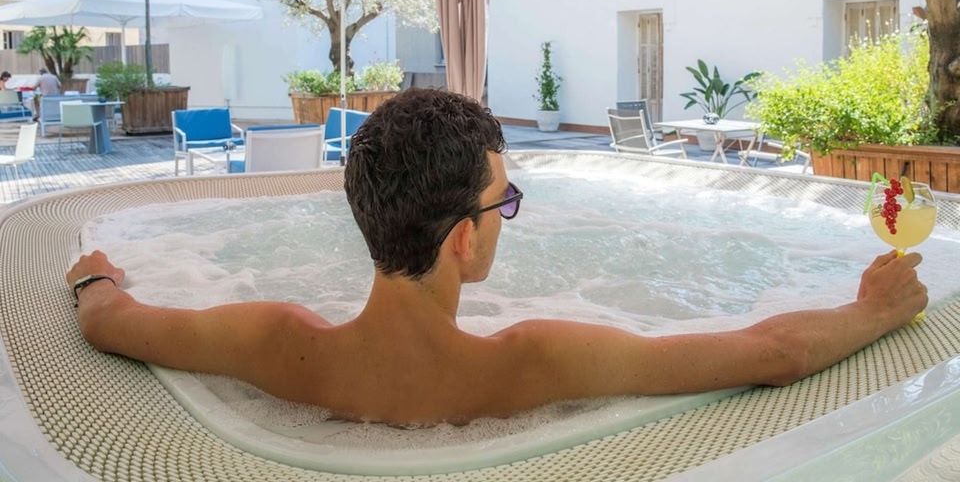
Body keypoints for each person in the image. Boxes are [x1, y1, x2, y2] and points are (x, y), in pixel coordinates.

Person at [67, 88, 929, 426]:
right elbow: (774, 354)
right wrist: (874, 310)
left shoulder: (276, 342)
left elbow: (112, 322)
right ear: (464, 238)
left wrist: (95, 273)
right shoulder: (532, 361)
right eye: (503, 201)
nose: (508, 215)